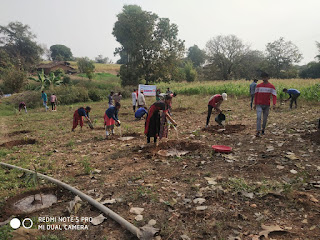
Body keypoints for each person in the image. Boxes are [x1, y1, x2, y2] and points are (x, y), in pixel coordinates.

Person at [254, 72, 277, 137]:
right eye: (263, 77)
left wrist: (274, 104)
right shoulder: (258, 86)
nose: (264, 79)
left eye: (265, 77)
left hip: (267, 104)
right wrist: (255, 104)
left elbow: (274, 96)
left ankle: (263, 129)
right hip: (259, 104)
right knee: (258, 117)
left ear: (268, 78)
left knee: (265, 118)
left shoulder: (271, 86)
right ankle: (258, 131)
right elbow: (256, 95)